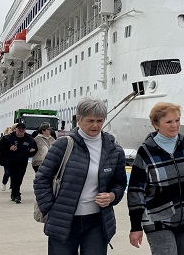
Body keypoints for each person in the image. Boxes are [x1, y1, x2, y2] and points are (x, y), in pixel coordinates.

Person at [34, 98, 127, 253]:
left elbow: (120, 183)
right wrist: (49, 209)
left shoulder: (114, 150)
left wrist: (112, 196)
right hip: (64, 222)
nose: (95, 125)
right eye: (90, 120)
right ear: (79, 119)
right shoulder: (63, 145)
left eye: (99, 120)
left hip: (97, 221)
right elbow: (41, 179)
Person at [128, 102, 184, 255]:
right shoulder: (146, 151)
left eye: (177, 120)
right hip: (157, 219)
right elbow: (136, 191)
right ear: (156, 124)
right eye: (169, 122)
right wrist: (135, 226)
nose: (175, 125)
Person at [0, 123, 37, 203]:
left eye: (22, 129)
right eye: (19, 129)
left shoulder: (29, 139)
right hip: (11, 161)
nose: (21, 131)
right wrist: (9, 149)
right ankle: (17, 195)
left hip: (23, 161)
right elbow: (1, 149)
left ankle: (14, 193)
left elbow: (34, 149)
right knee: (14, 176)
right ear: (15, 129)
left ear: (25, 130)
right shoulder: (8, 138)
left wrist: (30, 152)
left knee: (19, 178)